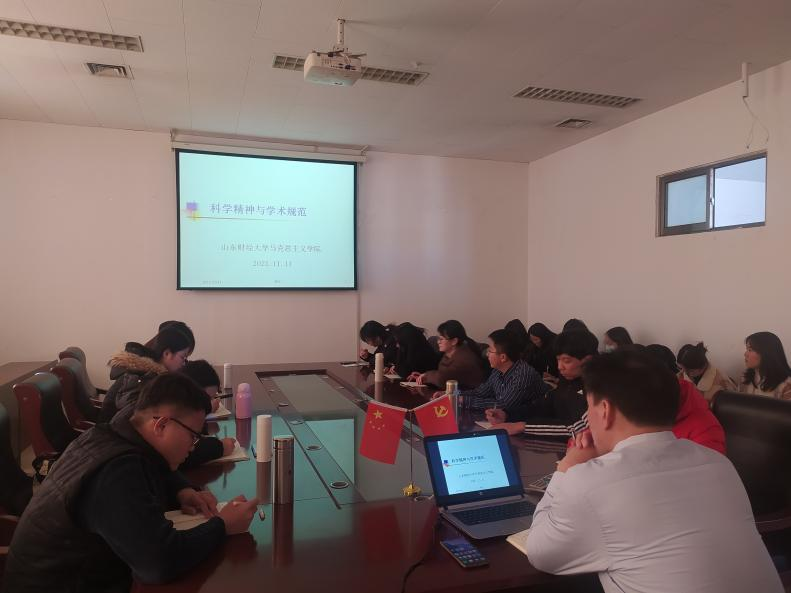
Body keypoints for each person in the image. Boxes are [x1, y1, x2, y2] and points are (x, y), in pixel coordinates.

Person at [525, 350, 782, 593]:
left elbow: (540, 554)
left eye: (589, 407)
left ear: (604, 411)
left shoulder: (587, 481)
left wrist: (566, 469)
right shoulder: (718, 463)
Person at [3, 374, 259, 592]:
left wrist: (182, 489)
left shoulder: (118, 431)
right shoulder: (117, 472)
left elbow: (158, 464)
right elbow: (158, 563)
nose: (194, 447)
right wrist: (222, 525)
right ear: (161, 425)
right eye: (193, 437)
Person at [486, 330, 598, 438]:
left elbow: (577, 428)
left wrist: (521, 426)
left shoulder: (598, 387)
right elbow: (544, 405)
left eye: (566, 361)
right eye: (558, 360)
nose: (560, 367)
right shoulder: (568, 379)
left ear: (587, 360)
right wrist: (507, 414)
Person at [437, 329, 549, 411]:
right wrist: (452, 394)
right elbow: (481, 392)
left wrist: (462, 400)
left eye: (490, 350)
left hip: (535, 420)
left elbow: (503, 405)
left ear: (503, 357)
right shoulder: (498, 370)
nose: (487, 354)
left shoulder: (522, 374)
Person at [99, 327, 193, 422]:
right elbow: (131, 419)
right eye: (183, 357)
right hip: (112, 426)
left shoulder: (151, 374)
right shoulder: (144, 377)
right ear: (167, 353)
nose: (184, 363)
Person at [644, 344, 725, 454]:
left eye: (686, 370)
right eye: (680, 368)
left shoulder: (721, 383)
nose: (682, 372)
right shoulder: (678, 379)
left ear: (699, 368)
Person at [178, 360, 236, 468]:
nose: (209, 404)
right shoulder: (172, 417)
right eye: (207, 399)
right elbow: (182, 453)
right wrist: (220, 447)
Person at [408, 320, 485, 390]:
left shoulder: (464, 358)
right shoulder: (449, 353)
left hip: (469, 397)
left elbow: (443, 380)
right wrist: (423, 376)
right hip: (452, 393)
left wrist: (427, 376)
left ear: (454, 341)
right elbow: (443, 375)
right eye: (438, 338)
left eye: (441, 339)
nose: (438, 342)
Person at [739, 331, 791, 400]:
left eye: (750, 350)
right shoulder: (745, 378)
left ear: (766, 353)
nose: (745, 354)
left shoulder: (786, 385)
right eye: (747, 349)